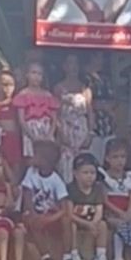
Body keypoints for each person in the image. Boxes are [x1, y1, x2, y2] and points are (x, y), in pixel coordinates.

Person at [21, 140, 73, 260]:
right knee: (32, 221)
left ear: (45, 160)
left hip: (52, 214)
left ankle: (67, 257)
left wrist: (48, 219)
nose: (32, 158)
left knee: (66, 220)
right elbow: (27, 197)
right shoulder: (30, 173)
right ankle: (46, 258)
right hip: (36, 212)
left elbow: (64, 208)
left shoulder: (56, 180)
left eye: (35, 155)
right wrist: (34, 215)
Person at [67, 152, 112, 260]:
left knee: (102, 224)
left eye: (92, 173)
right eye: (85, 173)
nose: (89, 176)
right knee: (71, 225)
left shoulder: (98, 189)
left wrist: (93, 223)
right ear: (75, 174)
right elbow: (69, 213)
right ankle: (75, 255)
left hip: (92, 220)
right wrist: (86, 224)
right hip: (77, 220)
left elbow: (99, 210)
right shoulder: (71, 189)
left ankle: (100, 256)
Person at [55, 53, 94, 182]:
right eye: (70, 63)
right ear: (64, 66)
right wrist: (60, 132)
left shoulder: (85, 89)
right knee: (65, 162)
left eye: (76, 64)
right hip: (66, 129)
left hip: (81, 128)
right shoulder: (58, 88)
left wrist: (90, 134)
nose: (73, 67)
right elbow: (55, 113)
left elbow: (90, 112)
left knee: (82, 161)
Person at [12, 61, 60, 163]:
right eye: (33, 73)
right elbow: (21, 120)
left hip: (46, 130)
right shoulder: (23, 94)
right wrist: (33, 137)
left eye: (39, 74)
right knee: (32, 159)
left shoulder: (48, 95)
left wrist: (49, 135)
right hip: (30, 131)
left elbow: (54, 119)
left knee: (47, 159)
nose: (36, 77)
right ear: (27, 75)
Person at [83, 51, 117, 163]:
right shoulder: (84, 78)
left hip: (107, 125)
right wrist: (102, 106)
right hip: (94, 126)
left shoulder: (105, 78)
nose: (101, 61)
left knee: (109, 159)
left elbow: (114, 100)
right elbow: (88, 102)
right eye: (99, 57)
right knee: (94, 159)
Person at [0, 68, 24, 182]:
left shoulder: (17, 103)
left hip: (14, 141)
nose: (7, 88)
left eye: (11, 84)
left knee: (15, 173)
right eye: (4, 84)